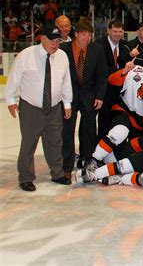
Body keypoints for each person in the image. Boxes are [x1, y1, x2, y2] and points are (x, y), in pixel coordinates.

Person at [4, 26, 73, 191]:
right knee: (29, 143)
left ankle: (57, 173)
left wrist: (67, 103)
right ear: (42, 38)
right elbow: (14, 77)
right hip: (31, 107)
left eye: (58, 41)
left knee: (55, 142)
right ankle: (26, 177)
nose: (55, 44)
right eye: (52, 40)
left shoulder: (62, 56)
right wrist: (11, 100)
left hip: (55, 107)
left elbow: (66, 81)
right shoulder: (26, 55)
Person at [61, 21, 108, 175]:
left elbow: (102, 75)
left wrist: (100, 96)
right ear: (76, 34)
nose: (87, 38)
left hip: (89, 96)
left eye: (90, 35)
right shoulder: (64, 50)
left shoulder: (97, 49)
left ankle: (88, 160)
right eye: (84, 34)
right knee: (67, 130)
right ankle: (66, 166)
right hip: (69, 97)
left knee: (89, 130)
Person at [95, 20, 127, 138]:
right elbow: (101, 68)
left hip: (120, 90)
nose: (118, 34)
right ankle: (101, 144)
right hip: (104, 89)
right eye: (115, 31)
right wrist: (120, 72)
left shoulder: (125, 45)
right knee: (104, 120)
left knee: (118, 120)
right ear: (108, 31)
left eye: (120, 32)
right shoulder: (99, 45)